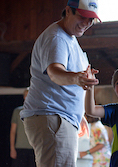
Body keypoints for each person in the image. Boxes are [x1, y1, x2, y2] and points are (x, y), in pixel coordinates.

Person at [20, 0, 100, 166]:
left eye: (91, 20)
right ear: (68, 11)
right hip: (54, 115)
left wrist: (79, 114)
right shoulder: (57, 38)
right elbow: (55, 72)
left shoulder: (68, 38)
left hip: (60, 116)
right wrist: (77, 78)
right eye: (83, 16)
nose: (86, 23)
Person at [10, 88, 36, 167]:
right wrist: (12, 148)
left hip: (34, 147)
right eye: (26, 95)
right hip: (20, 147)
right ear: (24, 97)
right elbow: (13, 131)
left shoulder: (38, 112)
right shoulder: (18, 111)